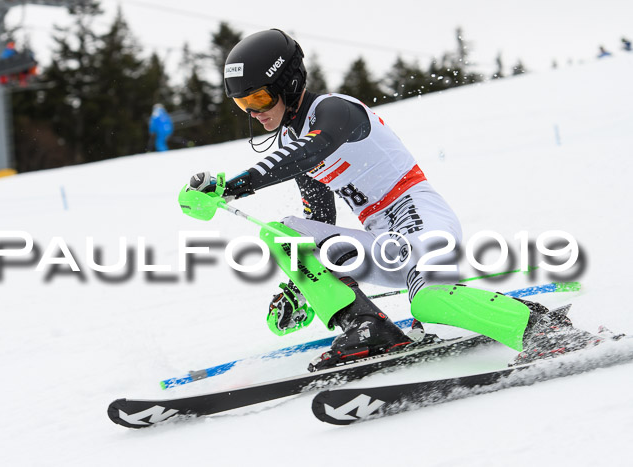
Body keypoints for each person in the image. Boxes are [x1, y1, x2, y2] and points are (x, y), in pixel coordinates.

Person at [187, 29, 600, 370]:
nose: (253, 112)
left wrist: (236, 184)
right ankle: (366, 326)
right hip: (384, 243)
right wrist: (303, 288)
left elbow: (313, 150)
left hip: (421, 221)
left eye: (258, 98)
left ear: (289, 83)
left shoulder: (335, 111)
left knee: (430, 302)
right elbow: (318, 218)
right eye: (243, 103)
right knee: (284, 232)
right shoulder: (297, 140)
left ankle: (542, 331)